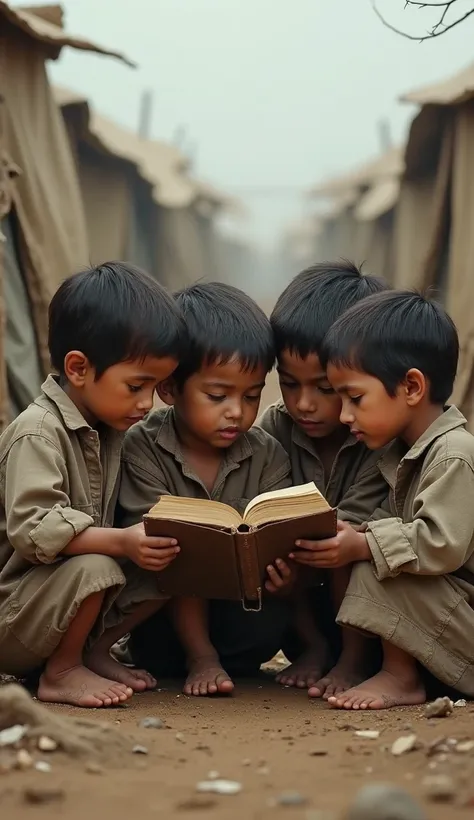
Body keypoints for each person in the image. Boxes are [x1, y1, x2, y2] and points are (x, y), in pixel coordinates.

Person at [0, 262, 185, 708]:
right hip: (16, 614)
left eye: (158, 387)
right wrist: (121, 541)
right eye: (137, 385)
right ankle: (61, 673)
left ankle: (94, 652)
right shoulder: (38, 432)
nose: (146, 403)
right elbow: (34, 528)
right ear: (79, 369)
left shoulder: (109, 428)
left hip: (63, 609)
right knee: (99, 564)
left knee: (171, 561)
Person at [300, 289, 474, 709]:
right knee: (367, 549)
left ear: (412, 386)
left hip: (463, 625)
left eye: (355, 398)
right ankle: (374, 665)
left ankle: (400, 678)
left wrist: (363, 542)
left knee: (379, 560)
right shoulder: (402, 454)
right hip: (445, 620)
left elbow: (440, 544)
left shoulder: (455, 455)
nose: (344, 415)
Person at [119, 282, 293, 697]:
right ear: (170, 388)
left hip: (243, 617)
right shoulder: (143, 446)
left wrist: (285, 571)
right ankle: (200, 657)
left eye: (252, 396)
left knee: (275, 613)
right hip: (160, 622)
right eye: (217, 395)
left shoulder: (267, 453)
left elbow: (280, 534)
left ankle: (312, 651)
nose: (237, 411)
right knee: (177, 551)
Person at [258, 262, 390, 698]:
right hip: (301, 597)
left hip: (369, 600)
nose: (303, 404)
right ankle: (313, 648)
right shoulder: (276, 428)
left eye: (325, 388)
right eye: (289, 384)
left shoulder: (380, 437)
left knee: (348, 541)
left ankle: (353, 663)